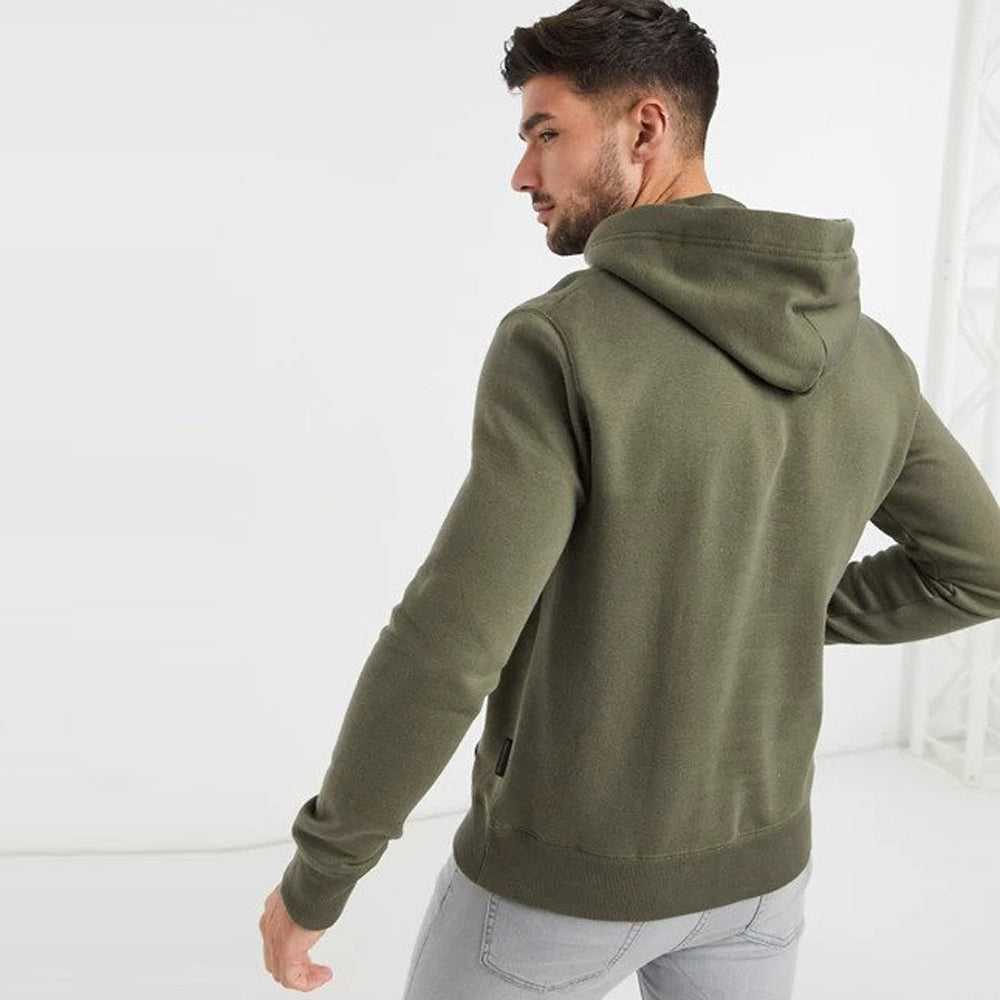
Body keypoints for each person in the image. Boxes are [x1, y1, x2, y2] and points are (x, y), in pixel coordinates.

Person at [261, 1, 1000, 996]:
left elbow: (451, 639)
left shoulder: (563, 343)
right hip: (760, 885)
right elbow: (979, 569)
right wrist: (775, 604)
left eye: (545, 133)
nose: (522, 174)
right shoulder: (867, 355)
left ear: (644, 128)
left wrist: (322, 872)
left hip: (556, 890)